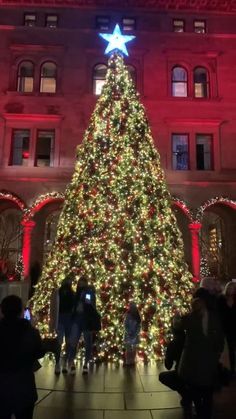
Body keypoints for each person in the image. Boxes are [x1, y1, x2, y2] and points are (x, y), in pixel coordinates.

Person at [178, 296, 224, 419]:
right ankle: (206, 414)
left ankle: (200, 413)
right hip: (208, 361)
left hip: (193, 362)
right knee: (207, 392)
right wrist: (218, 352)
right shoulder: (213, 318)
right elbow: (219, 339)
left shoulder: (190, 318)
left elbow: (178, 326)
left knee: (196, 392)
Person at [0, 295, 45, 419]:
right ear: (20, 311)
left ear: (2, 310)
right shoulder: (30, 332)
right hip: (24, 386)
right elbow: (39, 352)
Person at [159, 317, 190, 409]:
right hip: (199, 373)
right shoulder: (190, 338)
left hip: (183, 373)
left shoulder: (174, 344)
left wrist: (168, 351)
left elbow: (168, 366)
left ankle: (186, 395)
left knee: (163, 376)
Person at [68, 276, 97, 375]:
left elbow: (90, 304)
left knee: (88, 342)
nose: (81, 285)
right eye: (80, 283)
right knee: (73, 342)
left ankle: (85, 364)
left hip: (86, 320)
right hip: (77, 319)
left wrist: (86, 297)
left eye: (83, 283)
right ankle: (71, 363)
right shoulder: (75, 293)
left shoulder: (89, 292)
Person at [54, 275, 75, 374]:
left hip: (67, 318)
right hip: (62, 318)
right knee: (61, 341)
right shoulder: (59, 293)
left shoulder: (70, 293)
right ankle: (60, 363)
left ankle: (62, 363)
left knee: (65, 341)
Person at [218, 281, 236, 377]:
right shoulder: (221, 299)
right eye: (229, 287)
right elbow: (220, 313)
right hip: (226, 328)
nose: (231, 290)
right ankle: (231, 370)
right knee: (230, 350)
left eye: (233, 288)